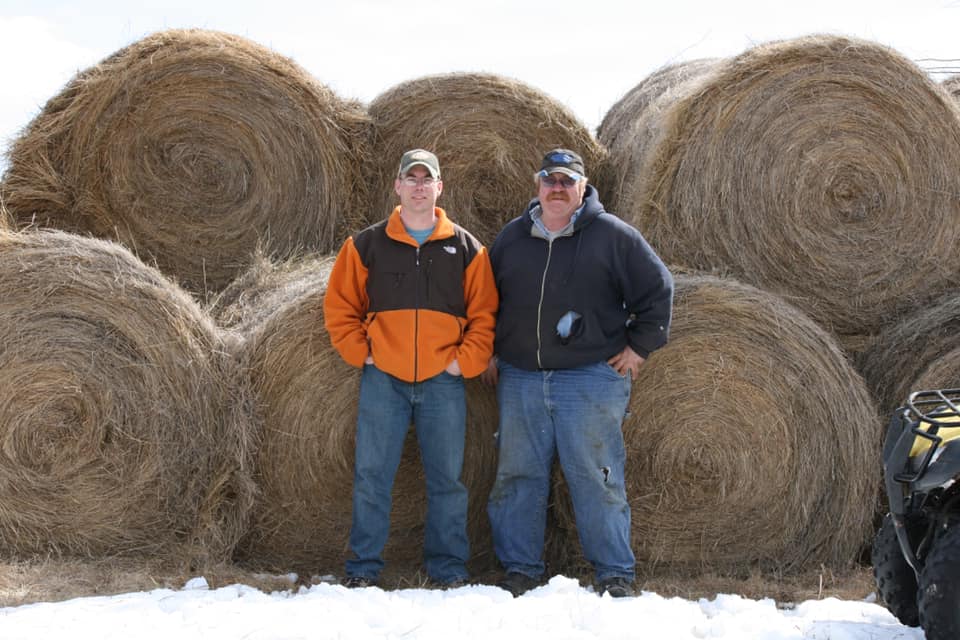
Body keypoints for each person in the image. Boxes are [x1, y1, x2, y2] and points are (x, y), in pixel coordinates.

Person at [482, 148, 674, 598]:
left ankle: (614, 573)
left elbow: (658, 288)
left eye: (567, 182)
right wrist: (487, 351)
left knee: (595, 474)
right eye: (550, 180)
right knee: (517, 475)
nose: (557, 189)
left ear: (583, 187)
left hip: (588, 378)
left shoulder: (613, 235)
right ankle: (521, 570)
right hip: (523, 377)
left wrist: (639, 348)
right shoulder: (512, 239)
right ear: (537, 185)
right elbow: (487, 300)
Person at [324, 148, 498, 588]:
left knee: (448, 482)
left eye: (428, 179)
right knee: (371, 477)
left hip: (444, 380)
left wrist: (464, 363)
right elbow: (340, 305)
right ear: (398, 186)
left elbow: (485, 314)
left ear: (439, 188)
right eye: (411, 177)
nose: (419, 185)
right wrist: (360, 352)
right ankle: (363, 570)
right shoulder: (365, 244)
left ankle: (448, 570)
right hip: (384, 378)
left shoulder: (466, 247)